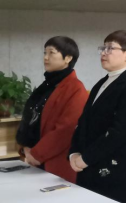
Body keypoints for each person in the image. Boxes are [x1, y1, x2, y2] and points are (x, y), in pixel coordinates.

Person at [69, 31, 126, 203]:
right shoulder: (102, 82)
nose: (104, 53)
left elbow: (120, 131)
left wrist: (86, 158)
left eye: (110, 48)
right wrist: (74, 152)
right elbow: (84, 121)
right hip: (91, 166)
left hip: (117, 172)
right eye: (103, 48)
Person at [16, 36, 88, 182]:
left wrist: (37, 154)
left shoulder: (76, 89)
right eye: (45, 53)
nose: (45, 57)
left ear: (68, 58)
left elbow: (66, 129)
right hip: (34, 158)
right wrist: (26, 148)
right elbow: (31, 118)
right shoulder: (47, 85)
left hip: (54, 162)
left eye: (51, 53)